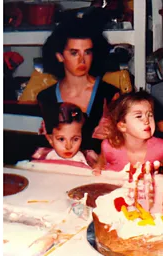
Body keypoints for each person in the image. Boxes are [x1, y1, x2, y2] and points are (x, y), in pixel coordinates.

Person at [37, 14, 120, 153]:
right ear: (59, 56)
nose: (82, 60)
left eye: (87, 52)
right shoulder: (46, 98)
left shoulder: (110, 95)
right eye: (74, 53)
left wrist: (115, 135)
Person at [93, 91, 163, 174]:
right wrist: (97, 169)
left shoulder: (160, 147)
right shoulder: (109, 147)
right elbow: (100, 165)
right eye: (139, 116)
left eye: (150, 115)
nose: (147, 121)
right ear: (122, 126)